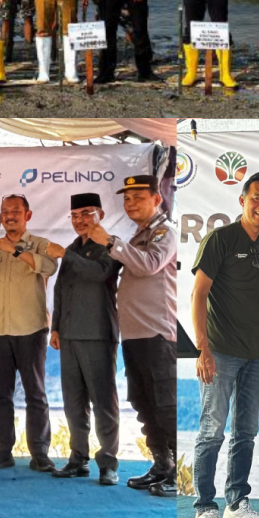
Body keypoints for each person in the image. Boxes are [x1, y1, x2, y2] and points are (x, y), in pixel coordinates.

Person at [192, 172, 259, 518]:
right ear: (242, 200)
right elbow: (198, 294)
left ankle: (236, 505)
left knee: (246, 432)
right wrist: (203, 350)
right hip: (220, 351)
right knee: (212, 430)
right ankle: (204, 509)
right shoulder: (220, 239)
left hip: (255, 355)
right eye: (257, 198)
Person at [0, 194, 59, 472]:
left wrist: (15, 251)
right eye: (5, 211)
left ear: (28, 215)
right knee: (1, 393)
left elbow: (50, 267)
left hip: (31, 329)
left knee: (35, 393)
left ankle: (40, 453)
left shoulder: (40, 245)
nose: (9, 215)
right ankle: (2, 450)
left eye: (16, 211)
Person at [110, 175, 177, 496]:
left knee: (166, 406)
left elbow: (149, 265)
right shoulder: (138, 236)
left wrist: (111, 243)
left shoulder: (165, 232)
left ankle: (179, 476)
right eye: (127, 198)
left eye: (138, 197)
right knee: (143, 403)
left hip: (158, 335)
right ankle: (162, 465)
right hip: (134, 335)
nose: (131, 203)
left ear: (157, 199)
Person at [50, 193, 122, 483]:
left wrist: (66, 256)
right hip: (68, 335)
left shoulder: (110, 244)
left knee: (103, 401)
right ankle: (78, 458)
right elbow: (60, 291)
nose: (80, 220)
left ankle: (108, 463)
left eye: (86, 213)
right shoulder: (71, 247)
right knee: (74, 401)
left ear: (100, 214)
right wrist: (55, 327)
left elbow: (102, 274)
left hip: (97, 334)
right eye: (75, 215)